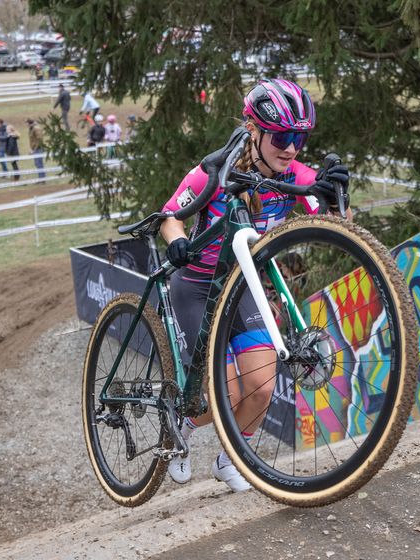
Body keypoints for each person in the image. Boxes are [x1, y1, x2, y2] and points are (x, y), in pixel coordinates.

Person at [160, 78, 349, 493]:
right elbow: (170, 217)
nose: (291, 147)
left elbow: (338, 227)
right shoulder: (213, 170)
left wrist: (337, 196)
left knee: (261, 389)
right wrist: (177, 244)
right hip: (195, 286)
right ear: (253, 130)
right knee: (217, 395)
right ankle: (182, 423)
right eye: (281, 135)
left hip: (242, 287)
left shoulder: (296, 174)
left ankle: (231, 460)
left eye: (298, 137)